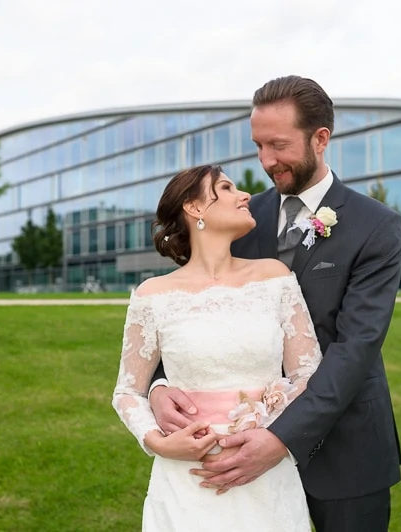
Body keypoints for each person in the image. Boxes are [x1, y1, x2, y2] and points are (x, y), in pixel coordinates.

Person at [149, 75, 401, 532]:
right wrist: (161, 385)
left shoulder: (376, 225)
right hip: (236, 450)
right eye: (258, 145)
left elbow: (355, 347)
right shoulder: (240, 217)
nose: (266, 161)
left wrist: (280, 437)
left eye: (278, 145)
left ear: (320, 139)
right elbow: (189, 303)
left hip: (347, 448)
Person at [112, 164, 323, 531]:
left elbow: (308, 373)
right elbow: (128, 391)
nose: (245, 196)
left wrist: (275, 436)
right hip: (186, 481)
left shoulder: (274, 277)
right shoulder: (152, 296)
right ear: (194, 208)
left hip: (266, 473)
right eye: (226, 188)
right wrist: (159, 444)